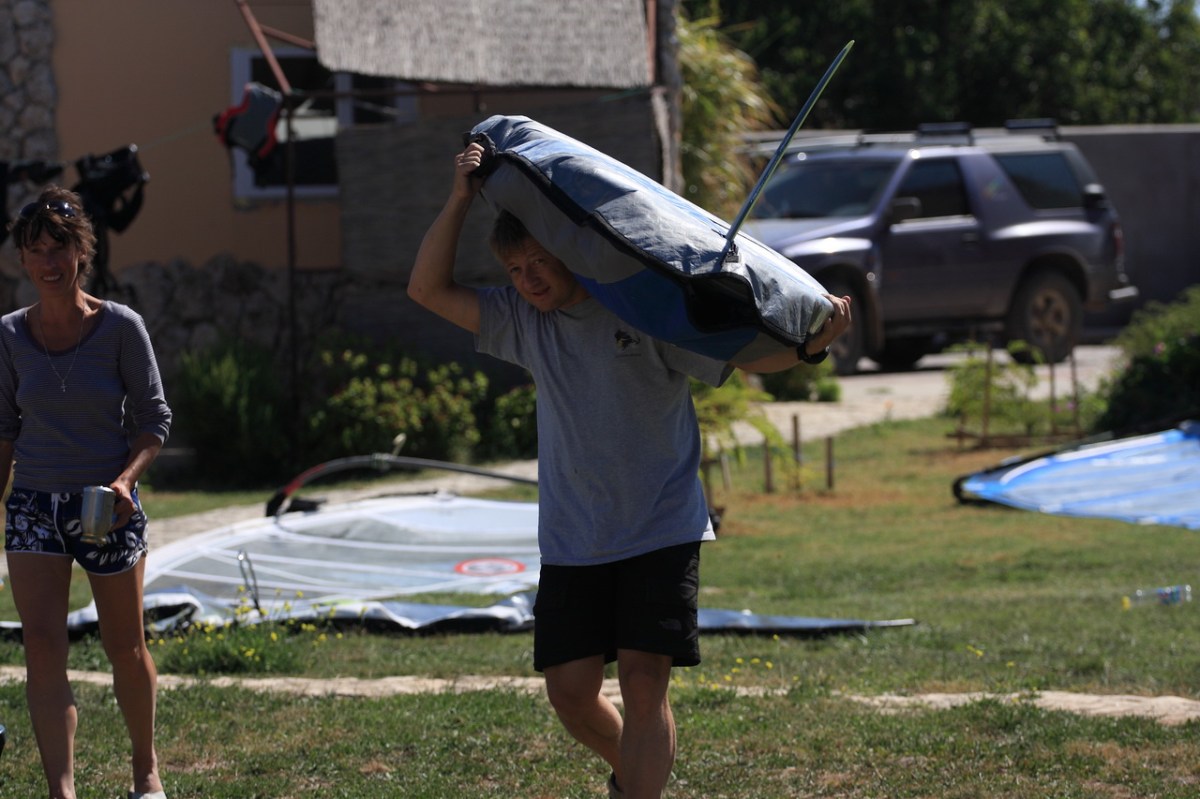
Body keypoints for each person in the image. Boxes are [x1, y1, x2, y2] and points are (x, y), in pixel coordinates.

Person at [409, 142, 851, 798]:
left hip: (659, 525)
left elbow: (749, 357)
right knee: (569, 691)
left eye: (539, 262)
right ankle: (641, 775)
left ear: (571, 251)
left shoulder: (641, 308)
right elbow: (426, 289)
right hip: (575, 534)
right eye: (515, 268)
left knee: (645, 683)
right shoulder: (522, 321)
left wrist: (813, 347)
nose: (529, 279)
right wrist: (458, 199)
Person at [0, 186, 172, 799]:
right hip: (33, 507)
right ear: (22, 259)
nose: (48, 262)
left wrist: (127, 479)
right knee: (42, 647)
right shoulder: (9, 335)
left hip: (107, 504)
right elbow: (4, 429)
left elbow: (154, 418)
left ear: (81, 252)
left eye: (59, 248)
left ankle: (145, 770)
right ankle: (62, 791)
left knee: (124, 645)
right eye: (36, 250)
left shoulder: (121, 327)